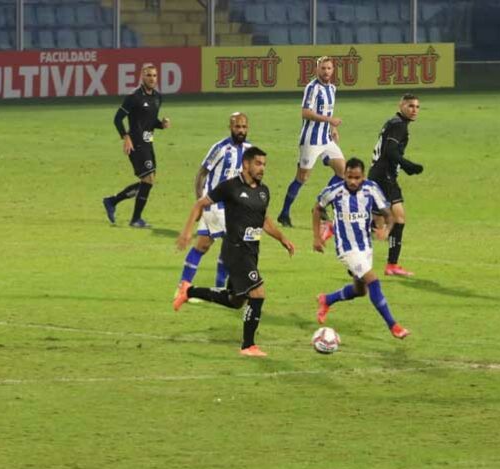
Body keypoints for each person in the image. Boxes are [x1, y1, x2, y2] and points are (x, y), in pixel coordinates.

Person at [174, 147, 295, 357]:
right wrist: (187, 231)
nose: (262, 168)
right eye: (258, 163)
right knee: (258, 293)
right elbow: (200, 203)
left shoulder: (264, 191)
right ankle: (248, 346)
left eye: (264, 164)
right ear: (246, 164)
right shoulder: (230, 187)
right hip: (234, 250)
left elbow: (264, 220)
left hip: (251, 252)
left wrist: (282, 238)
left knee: (235, 300)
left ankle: (189, 291)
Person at [312, 158, 410, 339]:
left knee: (360, 290)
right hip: (346, 249)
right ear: (345, 175)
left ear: (363, 176)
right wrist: (317, 237)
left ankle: (327, 299)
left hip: (365, 247)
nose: (352, 181)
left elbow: (389, 215)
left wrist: (386, 230)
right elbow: (317, 209)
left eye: (357, 177)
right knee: (373, 280)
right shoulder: (335, 191)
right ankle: (393, 325)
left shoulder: (371, 189)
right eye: (349, 177)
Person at [175, 112, 251, 291]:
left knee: (202, 245)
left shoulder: (249, 150)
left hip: (232, 207)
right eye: (237, 127)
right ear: (230, 127)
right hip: (216, 205)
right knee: (234, 245)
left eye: (244, 127)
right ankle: (221, 289)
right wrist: (199, 200)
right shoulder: (220, 148)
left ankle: (183, 287)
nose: (241, 130)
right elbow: (201, 174)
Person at [277, 56, 346, 229]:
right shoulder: (312, 88)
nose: (326, 71)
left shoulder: (332, 89)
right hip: (311, 139)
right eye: (323, 68)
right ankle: (284, 214)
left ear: (333, 70)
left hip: (326, 139)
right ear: (317, 70)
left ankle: (320, 205)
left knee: (343, 171)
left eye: (329, 68)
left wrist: (332, 128)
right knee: (302, 177)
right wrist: (329, 119)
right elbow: (306, 112)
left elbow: (328, 110)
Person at [102, 63, 171, 228]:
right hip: (136, 143)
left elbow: (150, 121)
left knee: (147, 181)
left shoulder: (157, 97)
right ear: (142, 76)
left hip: (148, 143)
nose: (152, 79)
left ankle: (112, 201)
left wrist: (161, 124)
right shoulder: (134, 96)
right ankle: (135, 219)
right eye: (149, 75)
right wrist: (125, 137)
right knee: (148, 179)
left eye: (154, 75)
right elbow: (117, 119)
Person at [368, 93, 423, 277]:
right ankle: (391, 264)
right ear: (401, 105)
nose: (414, 110)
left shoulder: (393, 123)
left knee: (384, 221)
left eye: (417, 107)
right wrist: (408, 165)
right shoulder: (399, 126)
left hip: (381, 174)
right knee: (392, 220)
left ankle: (391, 264)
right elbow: (389, 151)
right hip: (385, 176)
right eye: (410, 106)